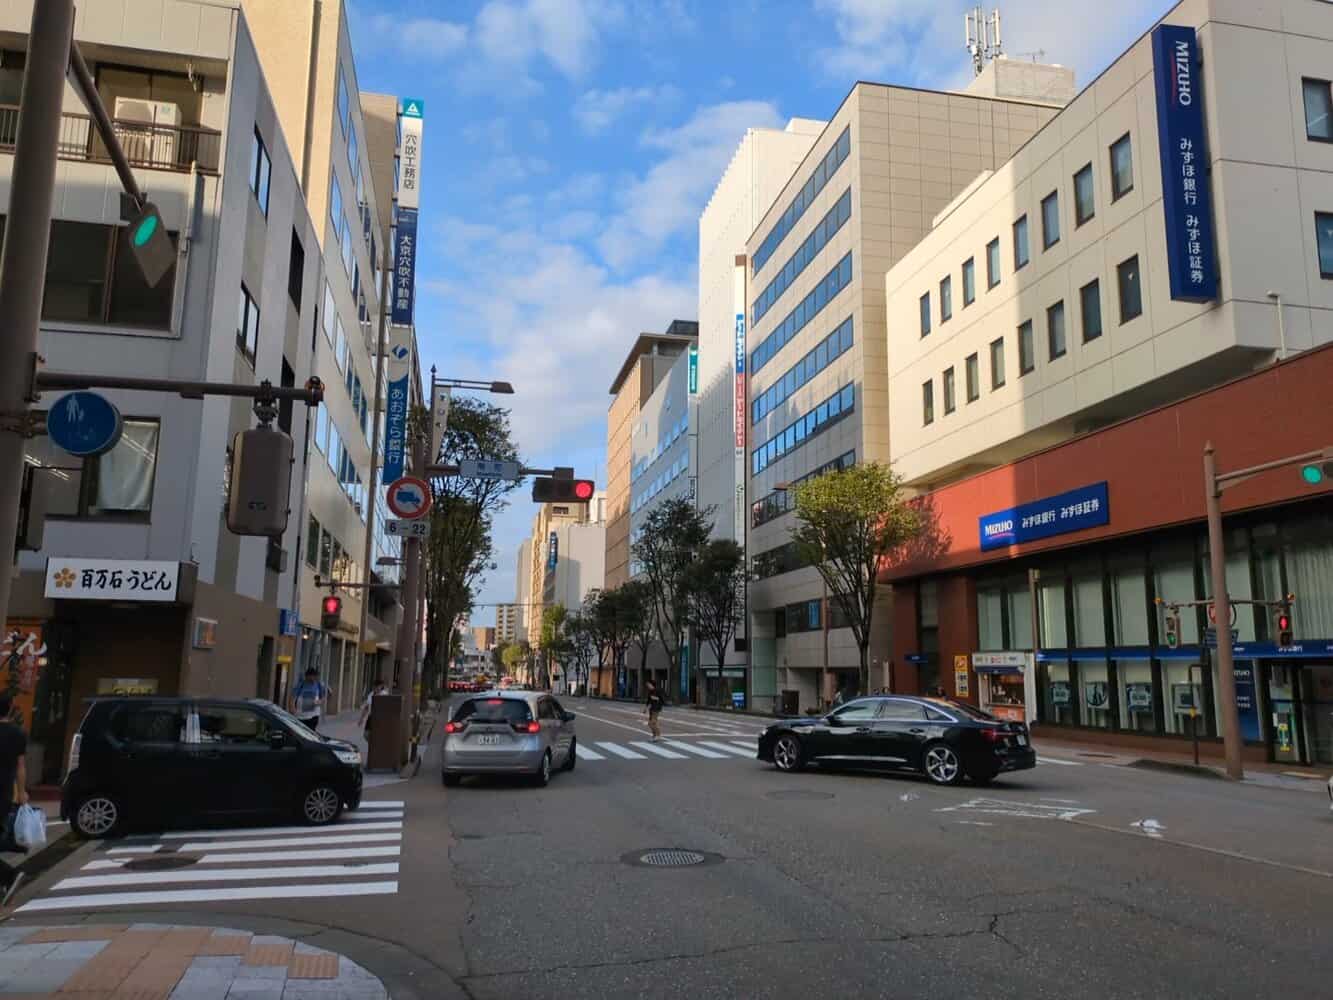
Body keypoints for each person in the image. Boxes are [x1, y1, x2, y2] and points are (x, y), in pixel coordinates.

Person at [0, 692, 29, 905]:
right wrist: (21, 792)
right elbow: (21, 766)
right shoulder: (18, 733)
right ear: (10, 708)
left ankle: (9, 876)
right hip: (4, 793)